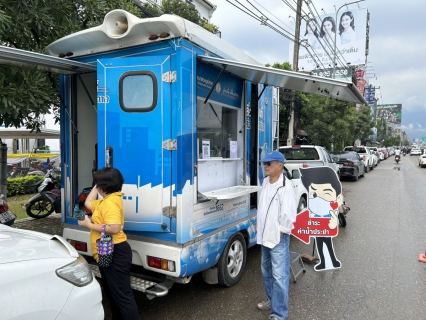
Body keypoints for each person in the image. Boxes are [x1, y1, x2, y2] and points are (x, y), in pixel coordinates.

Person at [78, 167, 138, 320]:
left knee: (122, 296)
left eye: (98, 184)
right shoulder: (107, 201)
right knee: (113, 293)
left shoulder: (110, 203)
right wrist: (97, 183)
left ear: (104, 186)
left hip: (116, 252)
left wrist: (89, 225)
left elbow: (114, 228)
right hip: (108, 251)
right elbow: (88, 202)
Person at [256, 151, 297, 320]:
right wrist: (259, 222)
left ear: (280, 166)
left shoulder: (286, 186)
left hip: (278, 237)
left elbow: (289, 213)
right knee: (266, 272)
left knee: (279, 276)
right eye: (265, 163)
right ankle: (271, 301)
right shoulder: (266, 182)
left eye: (269, 164)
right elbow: (263, 204)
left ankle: (279, 313)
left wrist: (280, 230)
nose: (265, 166)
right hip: (265, 234)